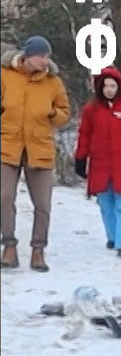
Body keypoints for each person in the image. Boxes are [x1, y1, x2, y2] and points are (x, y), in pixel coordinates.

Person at [1, 35, 73, 271]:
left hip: (40, 147)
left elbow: (65, 113)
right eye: (41, 56)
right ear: (28, 56)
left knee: (42, 204)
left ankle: (38, 250)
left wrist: (53, 113)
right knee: (4, 197)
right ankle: (9, 246)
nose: (45, 61)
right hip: (8, 145)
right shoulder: (5, 75)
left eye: (47, 56)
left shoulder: (53, 82)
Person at [74, 66, 121, 256]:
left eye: (112, 86)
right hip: (100, 166)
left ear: (119, 87)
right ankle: (113, 237)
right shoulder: (91, 110)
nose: (109, 90)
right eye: (105, 86)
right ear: (99, 88)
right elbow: (84, 135)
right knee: (105, 204)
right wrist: (80, 158)